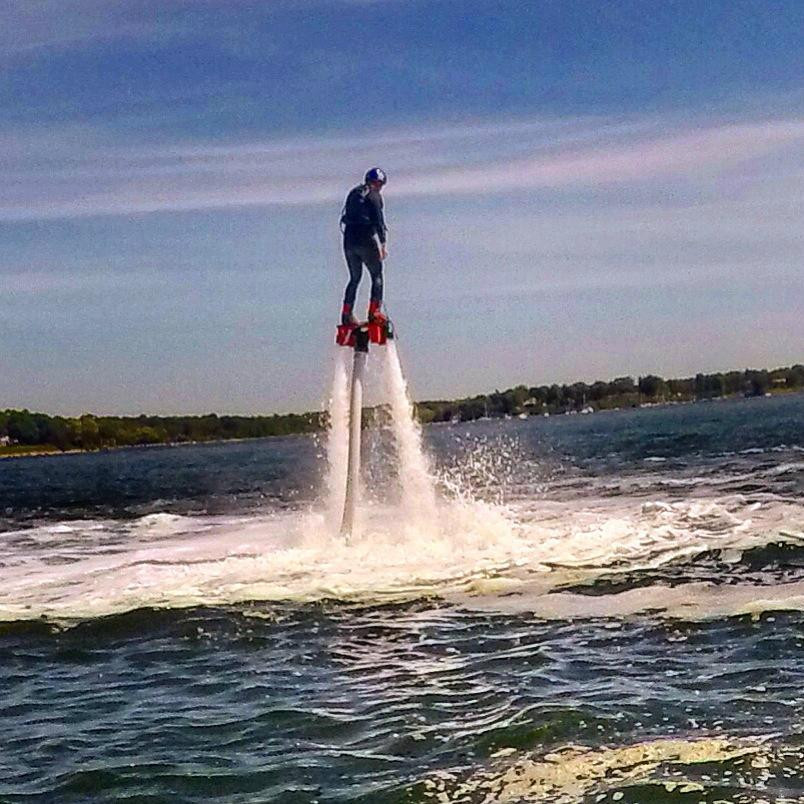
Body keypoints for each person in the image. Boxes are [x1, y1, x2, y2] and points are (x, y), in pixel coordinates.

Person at [339, 167, 388, 327]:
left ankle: (346, 314)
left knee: (354, 278)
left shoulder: (354, 193)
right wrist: (382, 244)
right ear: (378, 183)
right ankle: (374, 312)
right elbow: (379, 221)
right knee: (377, 275)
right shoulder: (374, 196)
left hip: (348, 239)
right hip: (365, 238)